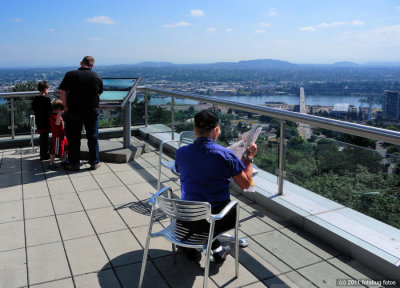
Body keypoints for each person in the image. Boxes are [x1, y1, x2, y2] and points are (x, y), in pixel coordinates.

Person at [175, 109, 257, 263]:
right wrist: (249, 158)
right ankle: (215, 247)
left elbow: (180, 170)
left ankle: (196, 245)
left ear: (195, 130)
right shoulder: (225, 155)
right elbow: (245, 184)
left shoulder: (181, 152)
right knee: (218, 214)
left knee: (200, 213)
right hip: (217, 218)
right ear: (216, 130)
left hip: (187, 216)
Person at [59, 56, 103, 171]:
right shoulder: (96, 76)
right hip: (91, 111)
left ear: (81, 63)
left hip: (74, 111)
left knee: (74, 138)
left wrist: (65, 105)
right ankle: (94, 162)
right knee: (92, 137)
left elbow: (62, 91)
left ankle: (74, 163)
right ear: (92, 66)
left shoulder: (70, 74)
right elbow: (98, 94)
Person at [31, 81, 51, 160]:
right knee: (45, 137)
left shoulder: (35, 99)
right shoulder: (47, 99)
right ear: (45, 89)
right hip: (46, 121)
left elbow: (33, 108)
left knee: (42, 136)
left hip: (39, 120)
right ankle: (45, 153)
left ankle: (42, 153)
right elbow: (50, 110)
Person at [48, 100, 68, 170]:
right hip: (57, 136)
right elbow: (57, 124)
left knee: (65, 148)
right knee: (54, 150)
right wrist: (59, 115)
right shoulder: (52, 117)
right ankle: (51, 163)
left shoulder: (56, 115)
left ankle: (64, 160)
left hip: (62, 135)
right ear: (58, 109)